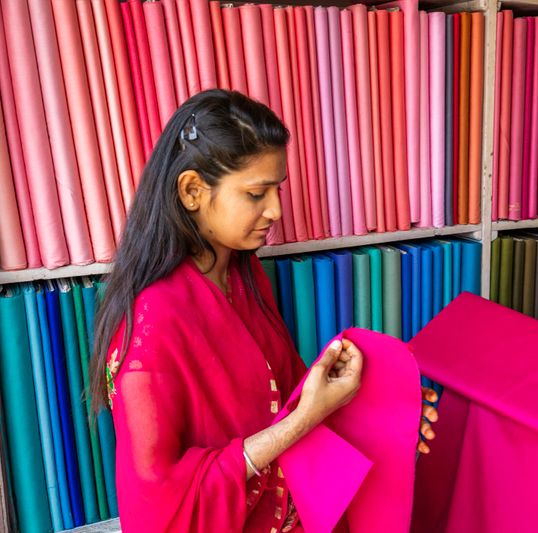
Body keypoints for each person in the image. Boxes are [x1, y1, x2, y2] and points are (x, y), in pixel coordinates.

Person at [88, 89, 438, 532]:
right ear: (193, 191)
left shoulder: (242, 273)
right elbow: (159, 507)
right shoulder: (151, 323)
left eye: (277, 189)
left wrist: (386, 409)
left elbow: (285, 400)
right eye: (256, 193)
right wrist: (304, 420)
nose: (275, 209)